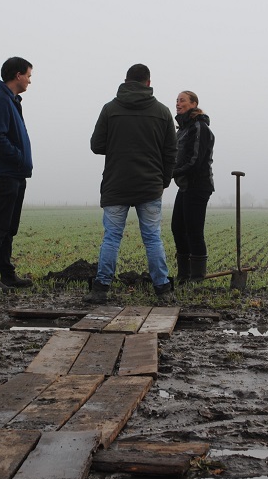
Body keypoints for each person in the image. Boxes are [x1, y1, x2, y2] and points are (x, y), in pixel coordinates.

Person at [84, 63, 178, 304]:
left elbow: (96, 145)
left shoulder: (110, 109)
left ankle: (101, 289)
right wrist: (163, 181)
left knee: (112, 238)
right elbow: (171, 152)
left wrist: (118, 144)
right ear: (148, 82)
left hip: (116, 184)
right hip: (150, 186)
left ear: (126, 81)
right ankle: (163, 291)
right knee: (153, 238)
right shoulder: (163, 112)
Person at [0, 56, 35, 292]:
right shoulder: (1, 101)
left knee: (10, 226)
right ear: (18, 75)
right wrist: (18, 157)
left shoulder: (12, 100)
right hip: (5, 172)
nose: (30, 81)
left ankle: (7, 273)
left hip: (15, 172)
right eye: (29, 76)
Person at [171, 90, 215, 283]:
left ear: (194, 104)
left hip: (198, 185)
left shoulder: (199, 127)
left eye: (182, 100)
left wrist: (171, 172)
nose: (178, 103)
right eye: (177, 101)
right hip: (185, 186)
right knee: (177, 228)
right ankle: (183, 275)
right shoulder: (182, 129)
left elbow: (195, 161)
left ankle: (196, 278)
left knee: (194, 230)